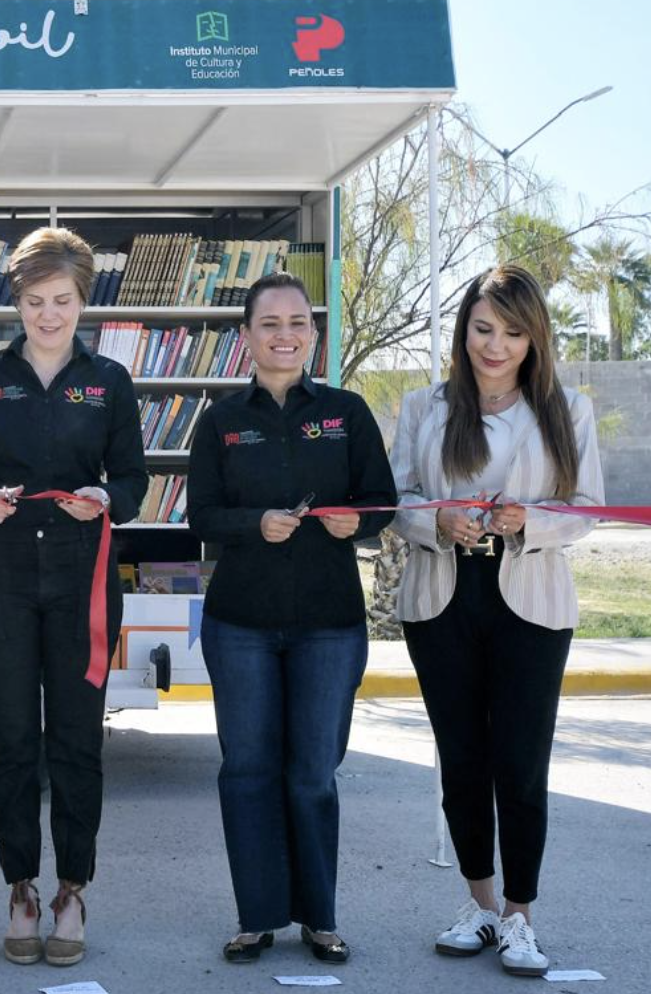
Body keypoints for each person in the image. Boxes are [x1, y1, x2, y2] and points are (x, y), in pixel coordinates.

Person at [0, 226, 147, 967]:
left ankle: (73, 889)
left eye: (61, 301)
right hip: (0, 577)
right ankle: (21, 887)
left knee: (77, 742)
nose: (48, 315)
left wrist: (105, 495)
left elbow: (134, 478)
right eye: (34, 301)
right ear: (16, 301)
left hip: (82, 577)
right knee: (14, 739)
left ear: (82, 301)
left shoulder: (110, 381)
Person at [390, 264, 604, 978]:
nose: (495, 345)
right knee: (462, 764)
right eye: (483, 328)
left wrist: (529, 521)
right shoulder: (424, 406)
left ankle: (521, 917)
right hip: (442, 599)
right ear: (464, 330)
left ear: (533, 338)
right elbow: (398, 500)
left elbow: (587, 509)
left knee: (520, 764)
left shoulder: (566, 409)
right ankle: (479, 905)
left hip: (532, 603)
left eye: (512, 332)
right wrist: (437, 521)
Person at [185, 270, 396, 966]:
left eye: (298, 322)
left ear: (315, 333)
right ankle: (256, 919)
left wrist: (352, 524)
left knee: (313, 771)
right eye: (269, 324)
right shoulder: (220, 421)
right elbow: (202, 516)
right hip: (240, 622)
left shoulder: (347, 411)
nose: (285, 335)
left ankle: (319, 918)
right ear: (246, 337)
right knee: (246, 769)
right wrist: (255, 524)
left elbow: (382, 503)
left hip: (329, 624)